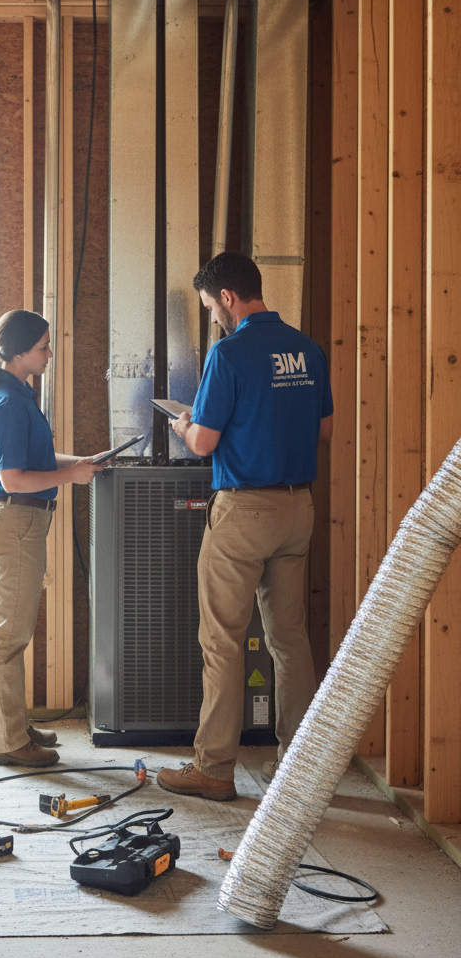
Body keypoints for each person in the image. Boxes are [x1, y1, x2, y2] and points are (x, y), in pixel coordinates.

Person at [158, 252, 334, 800]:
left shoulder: (228, 353)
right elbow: (324, 429)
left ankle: (213, 769)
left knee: (223, 643)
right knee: (290, 641)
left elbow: (206, 443)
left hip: (243, 513)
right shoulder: (307, 349)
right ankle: (300, 770)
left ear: (228, 298)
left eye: (212, 306)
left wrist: (184, 423)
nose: (213, 317)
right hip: (297, 508)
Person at [0, 310, 111, 767]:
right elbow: (12, 479)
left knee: (15, 631)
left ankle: (14, 726)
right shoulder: (7, 402)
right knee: (9, 636)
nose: (50, 354)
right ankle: (7, 744)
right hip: (16, 521)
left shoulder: (17, 392)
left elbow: (37, 460)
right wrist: (71, 475)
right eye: (44, 347)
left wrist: (81, 461)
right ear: (21, 351)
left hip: (22, 521)